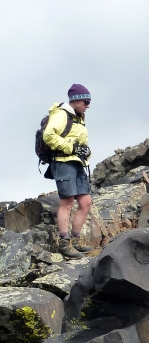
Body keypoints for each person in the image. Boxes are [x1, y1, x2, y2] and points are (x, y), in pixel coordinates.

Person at [42, 84, 93, 259]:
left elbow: (80, 144)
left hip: (77, 163)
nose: (88, 105)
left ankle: (75, 241)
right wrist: (70, 147)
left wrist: (87, 152)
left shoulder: (79, 117)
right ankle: (64, 244)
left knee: (85, 203)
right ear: (75, 100)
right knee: (67, 202)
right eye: (86, 101)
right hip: (63, 162)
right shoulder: (62, 114)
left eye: (89, 101)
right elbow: (48, 135)